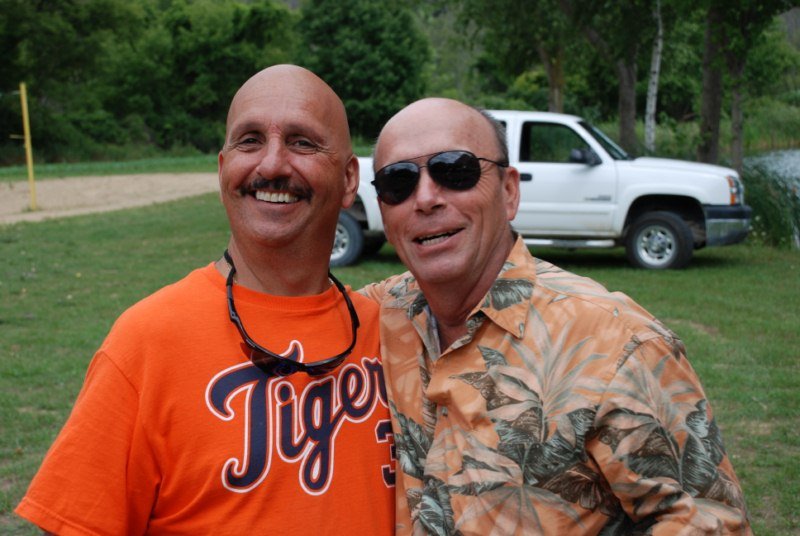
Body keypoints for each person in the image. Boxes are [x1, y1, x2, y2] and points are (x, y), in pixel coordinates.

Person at [15, 65, 395, 535]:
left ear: (350, 178)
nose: (271, 164)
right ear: (222, 169)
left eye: (302, 142)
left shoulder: (392, 335)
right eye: (250, 141)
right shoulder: (147, 342)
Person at [362, 97, 750, 534]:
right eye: (398, 182)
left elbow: (706, 522)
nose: (426, 198)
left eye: (455, 171)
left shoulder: (616, 343)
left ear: (509, 191)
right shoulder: (372, 316)